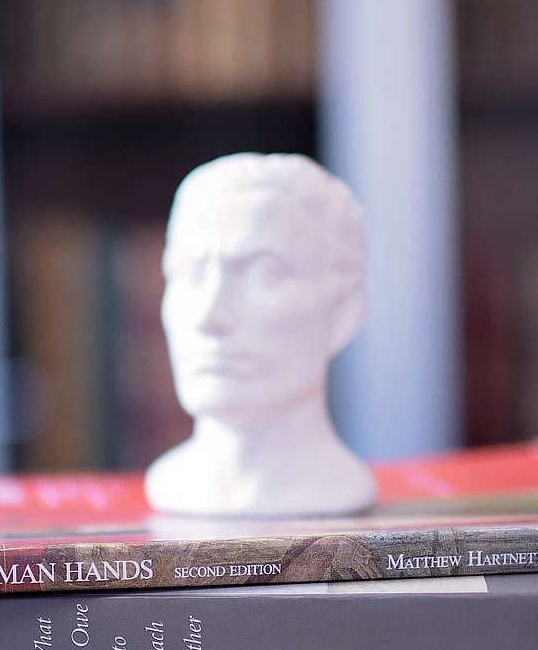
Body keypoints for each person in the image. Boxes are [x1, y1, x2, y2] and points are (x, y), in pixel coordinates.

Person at [145, 153, 377, 516]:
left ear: (344, 310)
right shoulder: (172, 486)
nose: (209, 316)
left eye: (265, 272)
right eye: (189, 272)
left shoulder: (337, 489)